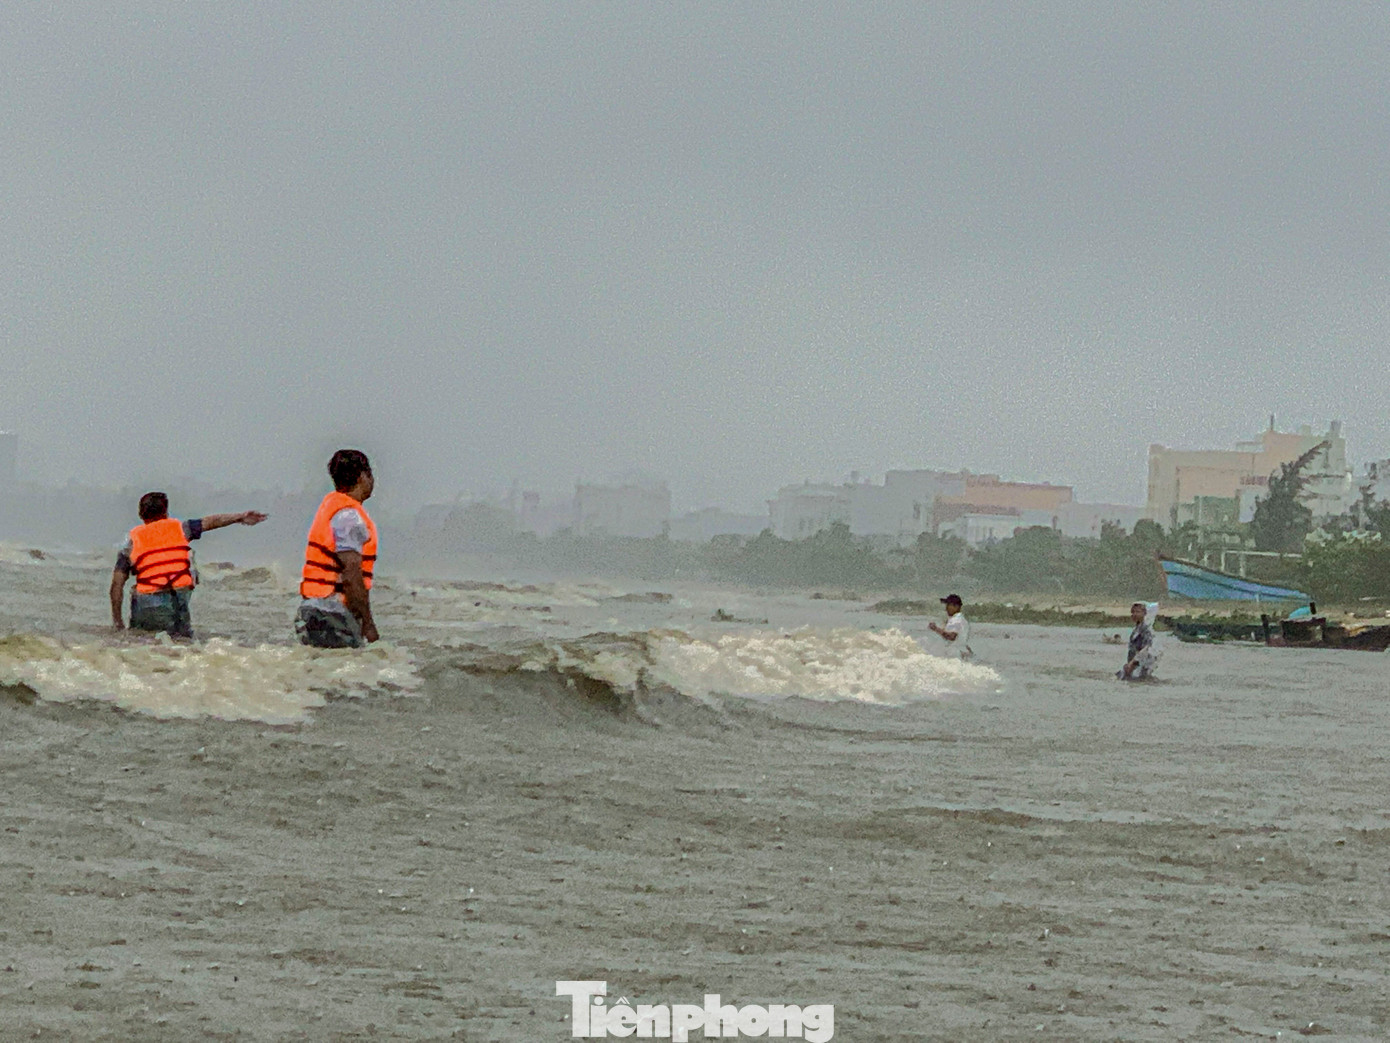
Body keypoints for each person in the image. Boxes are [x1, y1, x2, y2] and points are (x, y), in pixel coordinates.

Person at [110, 492, 267, 638]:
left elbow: (117, 586)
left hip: (147, 601)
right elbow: (212, 521)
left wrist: (118, 623)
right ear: (166, 511)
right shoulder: (181, 528)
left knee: (142, 643)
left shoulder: (131, 541)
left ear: (141, 514)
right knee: (181, 643)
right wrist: (240, 517)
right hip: (179, 597)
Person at [296, 449, 379, 648]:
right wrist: (368, 623)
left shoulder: (331, 507)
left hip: (313, 607)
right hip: (334, 611)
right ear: (362, 477)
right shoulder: (349, 516)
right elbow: (351, 574)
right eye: (370, 474)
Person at [1119, 601, 1158, 680]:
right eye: (1133, 612)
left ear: (1145, 613)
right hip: (1134, 665)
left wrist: (1132, 663)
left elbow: (1147, 648)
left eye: (1138, 612)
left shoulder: (1146, 629)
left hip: (1139, 666)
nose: (1134, 614)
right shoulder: (1137, 629)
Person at [928, 593, 972, 661]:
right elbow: (961, 641)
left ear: (956, 606)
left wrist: (935, 628)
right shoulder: (962, 620)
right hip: (959, 655)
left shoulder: (956, 620)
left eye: (948, 605)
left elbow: (951, 637)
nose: (946, 608)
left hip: (953, 656)